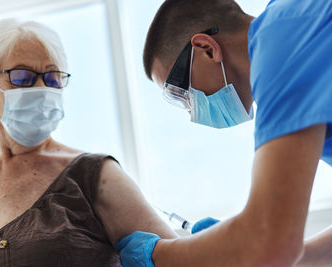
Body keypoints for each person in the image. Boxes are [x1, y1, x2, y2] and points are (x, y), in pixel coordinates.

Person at [0, 18, 180, 266]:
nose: (41, 89)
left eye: (52, 78)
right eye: (22, 77)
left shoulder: (94, 177)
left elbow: (181, 258)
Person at [115, 0, 332, 266]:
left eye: (180, 93)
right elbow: (277, 244)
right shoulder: (295, 42)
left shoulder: (281, 45)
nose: (189, 110)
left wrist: (160, 256)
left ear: (206, 49)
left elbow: (270, 242)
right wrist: (240, 244)